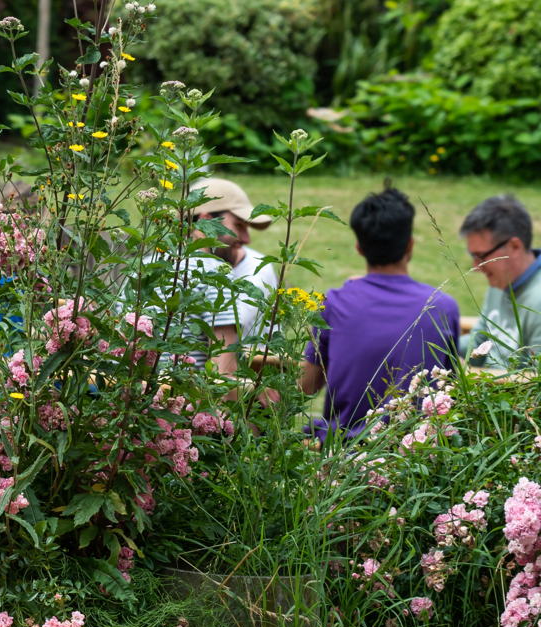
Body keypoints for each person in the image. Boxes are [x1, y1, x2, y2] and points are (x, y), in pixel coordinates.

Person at [300, 186, 461, 438]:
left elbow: (306, 387)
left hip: (341, 453)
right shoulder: (442, 307)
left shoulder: (333, 303)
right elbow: (450, 389)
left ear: (359, 247)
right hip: (415, 457)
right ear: (410, 245)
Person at [193, 176, 278, 365]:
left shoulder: (259, 269)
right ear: (206, 220)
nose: (246, 239)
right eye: (239, 225)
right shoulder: (153, 270)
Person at [460, 192, 541, 370]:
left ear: (514, 246)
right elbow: (478, 343)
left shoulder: (538, 300)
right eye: (473, 256)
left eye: (481, 256)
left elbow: (534, 386)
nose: (476, 266)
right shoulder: (502, 281)